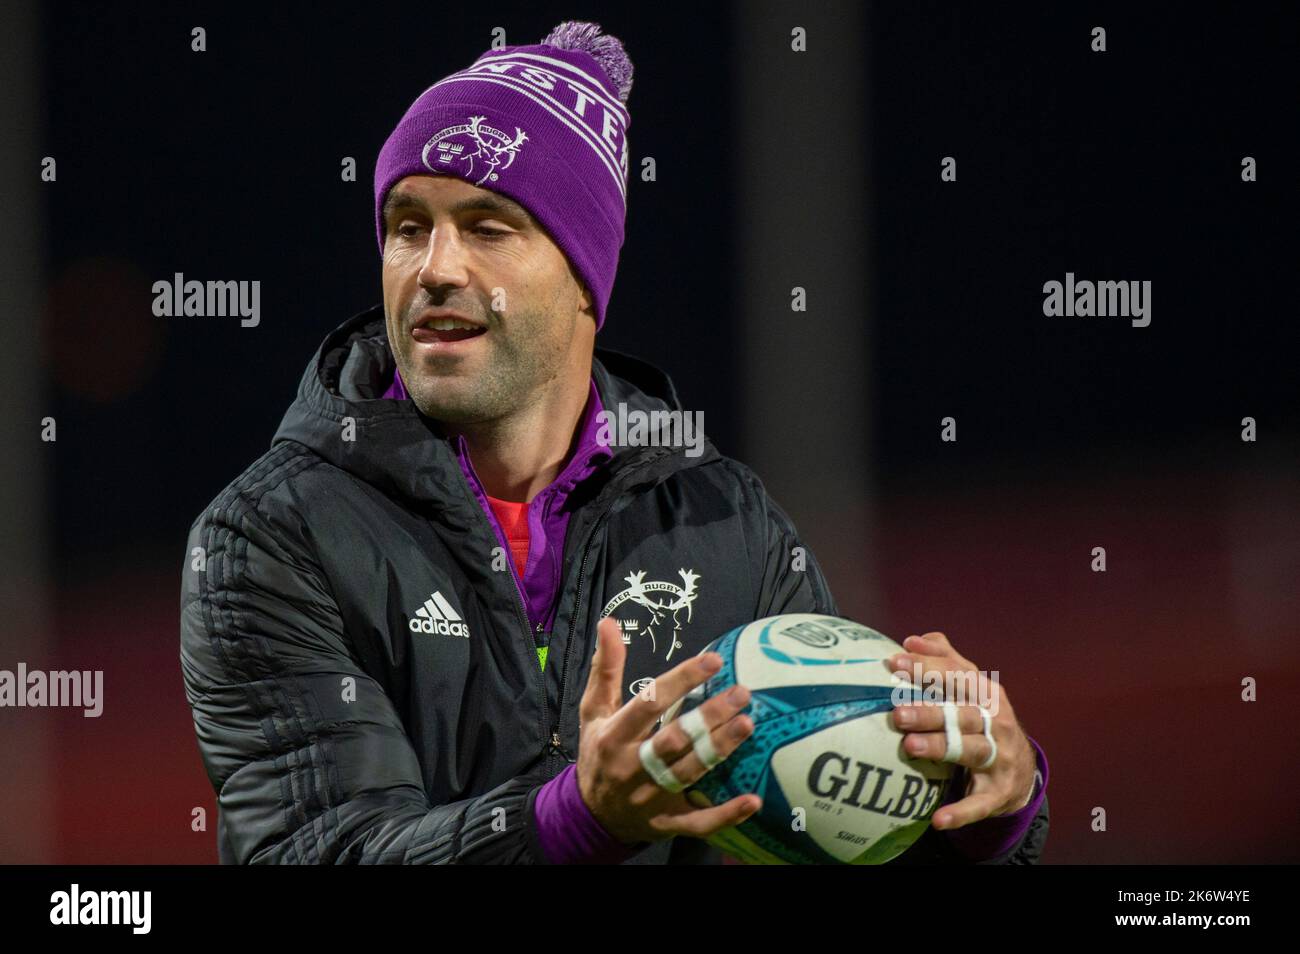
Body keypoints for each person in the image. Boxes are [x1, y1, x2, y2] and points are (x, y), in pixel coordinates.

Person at [179, 20, 1049, 865]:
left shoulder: (724, 524)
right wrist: (569, 826)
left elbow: (838, 837)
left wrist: (987, 808)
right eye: (409, 226)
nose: (434, 267)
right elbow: (320, 848)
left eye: (487, 227)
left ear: (586, 280)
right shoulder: (271, 537)